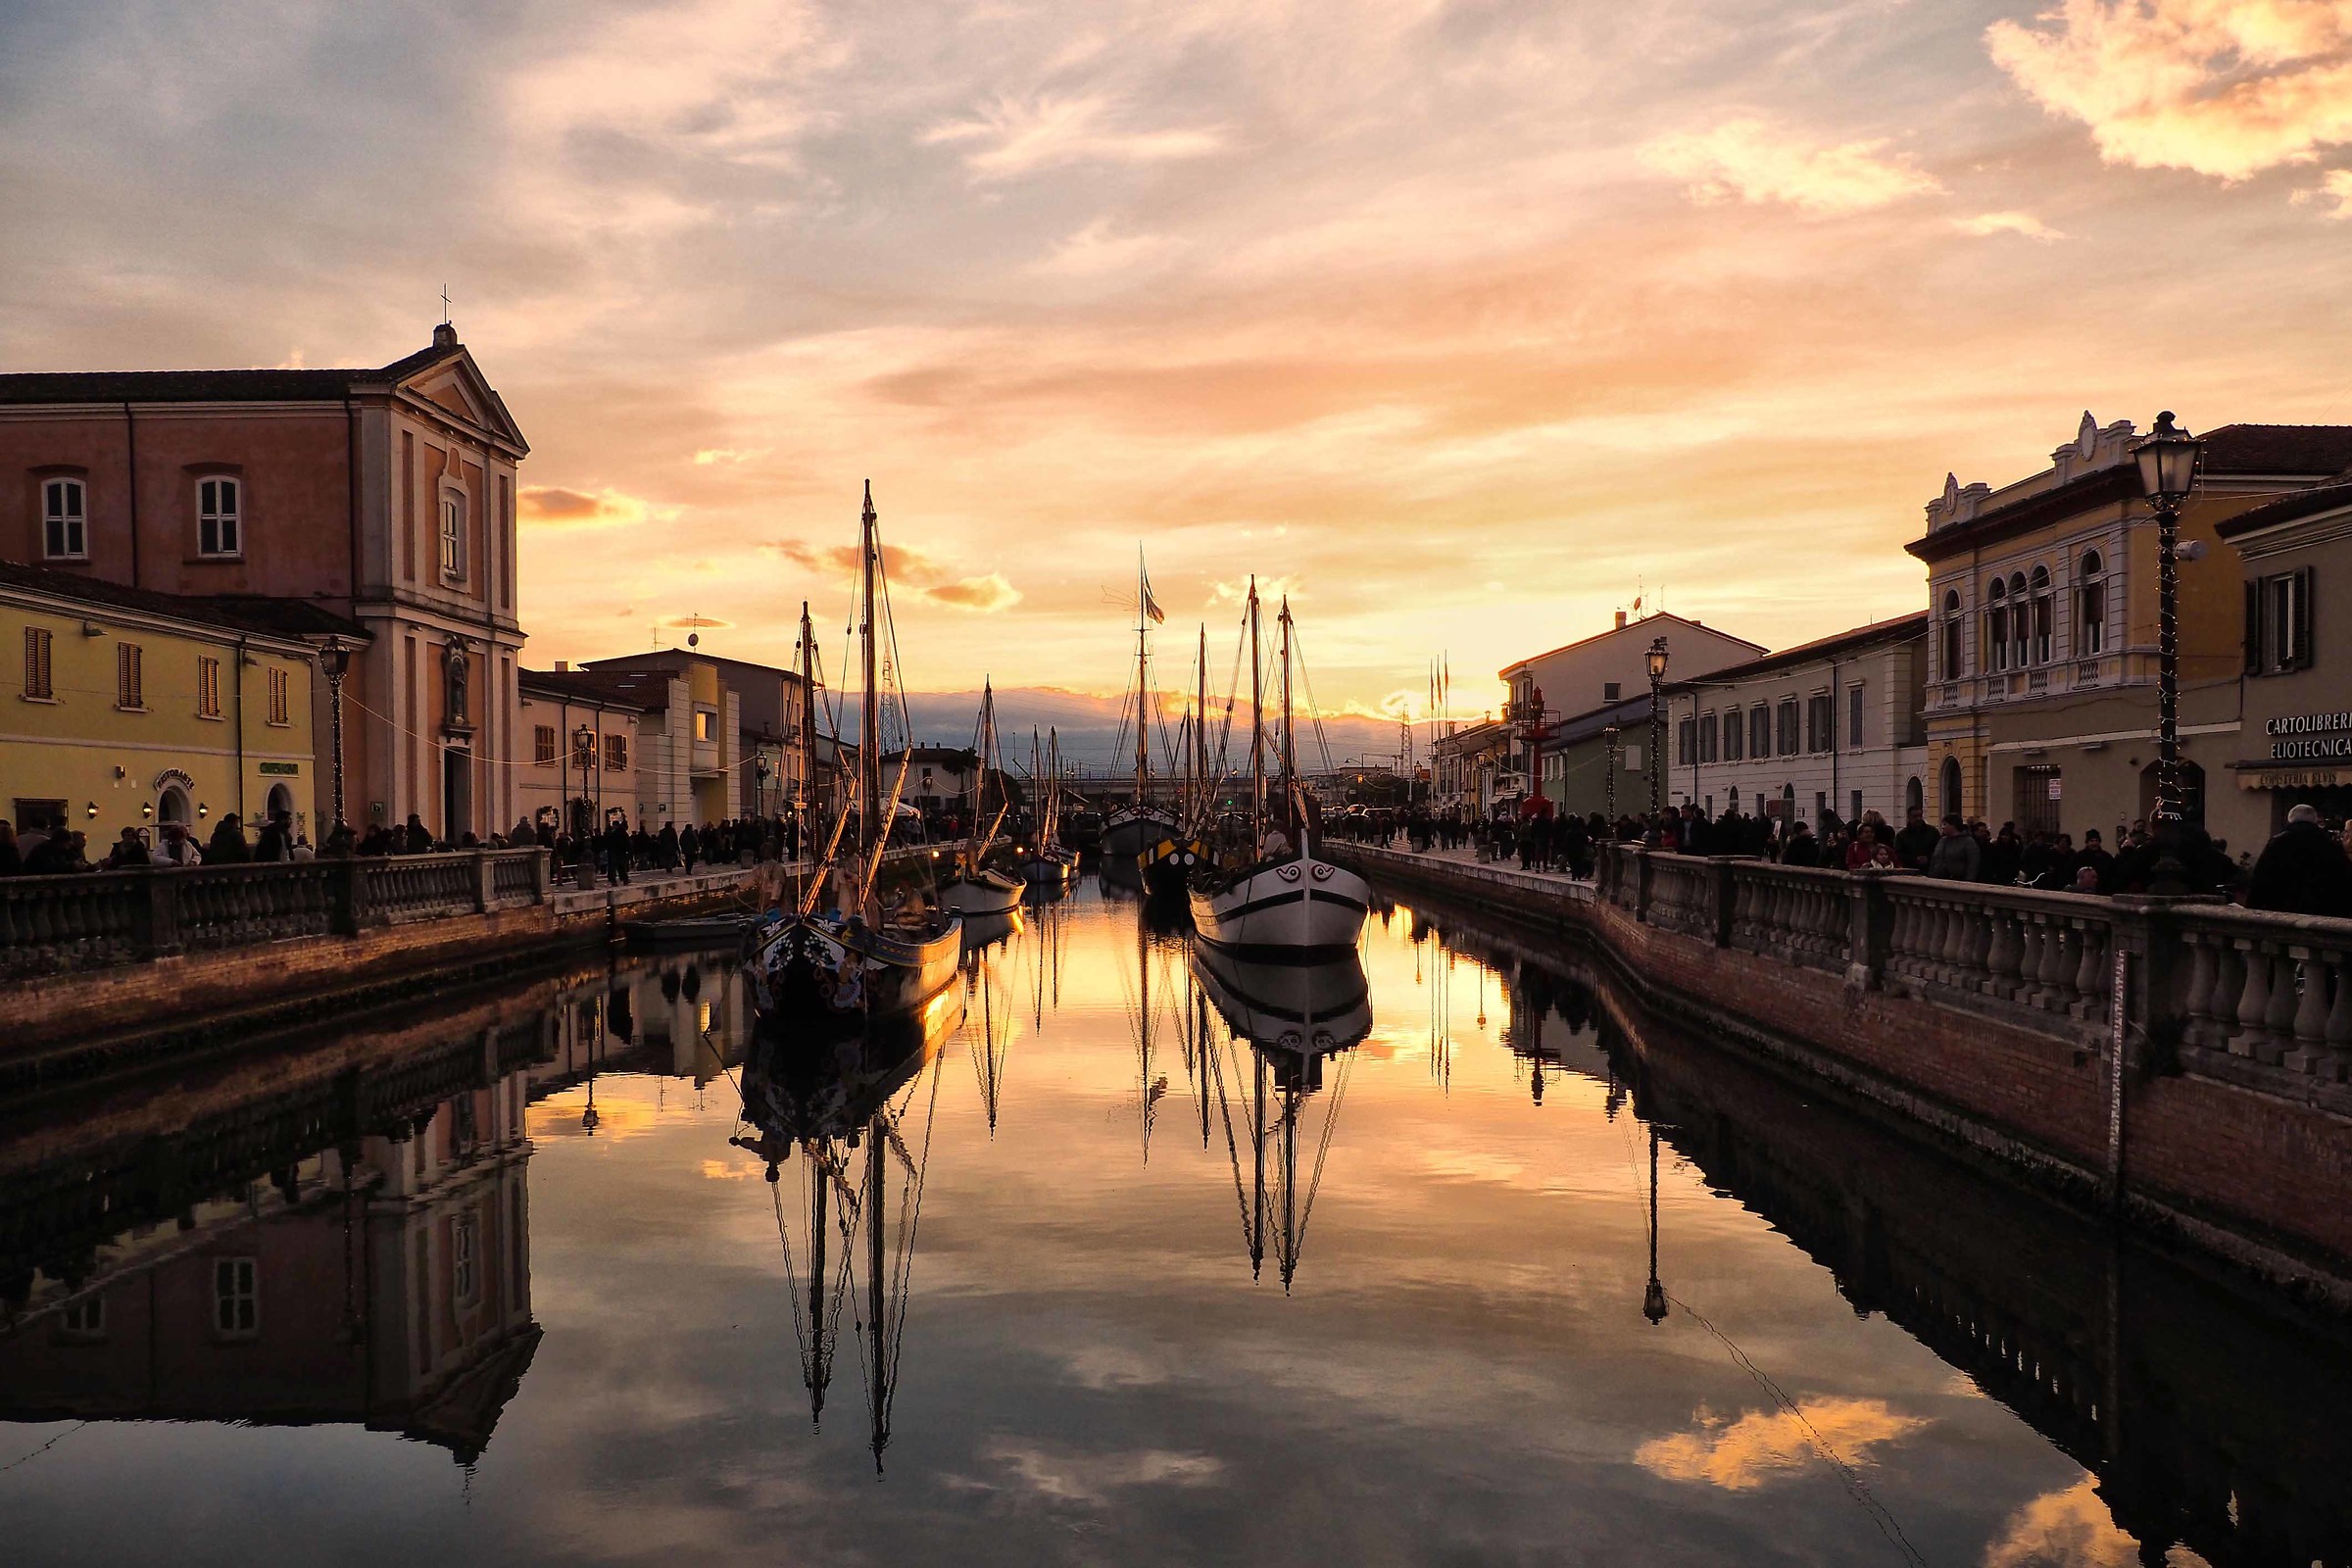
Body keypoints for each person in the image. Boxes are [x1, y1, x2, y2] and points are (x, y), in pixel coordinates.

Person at [2245, 804, 2352, 917]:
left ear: (2290, 820)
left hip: (2282, 912)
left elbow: (2260, 879)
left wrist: (2251, 911)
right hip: (2321, 913)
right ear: (2314, 821)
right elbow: (2344, 879)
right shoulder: (2329, 845)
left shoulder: (2278, 843)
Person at [1928, 814, 1980, 881]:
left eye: (1945, 824)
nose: (1943, 827)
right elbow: (1934, 859)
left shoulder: (1968, 842)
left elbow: (1973, 864)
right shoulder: (1942, 841)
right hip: (1938, 880)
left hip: (1957, 881)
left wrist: (1968, 881)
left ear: (1953, 825)